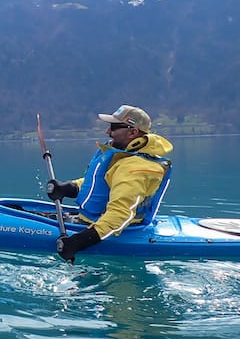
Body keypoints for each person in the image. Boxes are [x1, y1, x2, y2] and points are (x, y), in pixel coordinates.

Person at [46, 105, 173, 263]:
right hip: (91, 220)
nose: (108, 132)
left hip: (112, 229)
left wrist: (79, 242)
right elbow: (102, 183)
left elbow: (120, 214)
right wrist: (69, 188)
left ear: (133, 132)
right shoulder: (125, 155)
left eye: (113, 127)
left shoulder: (135, 169)